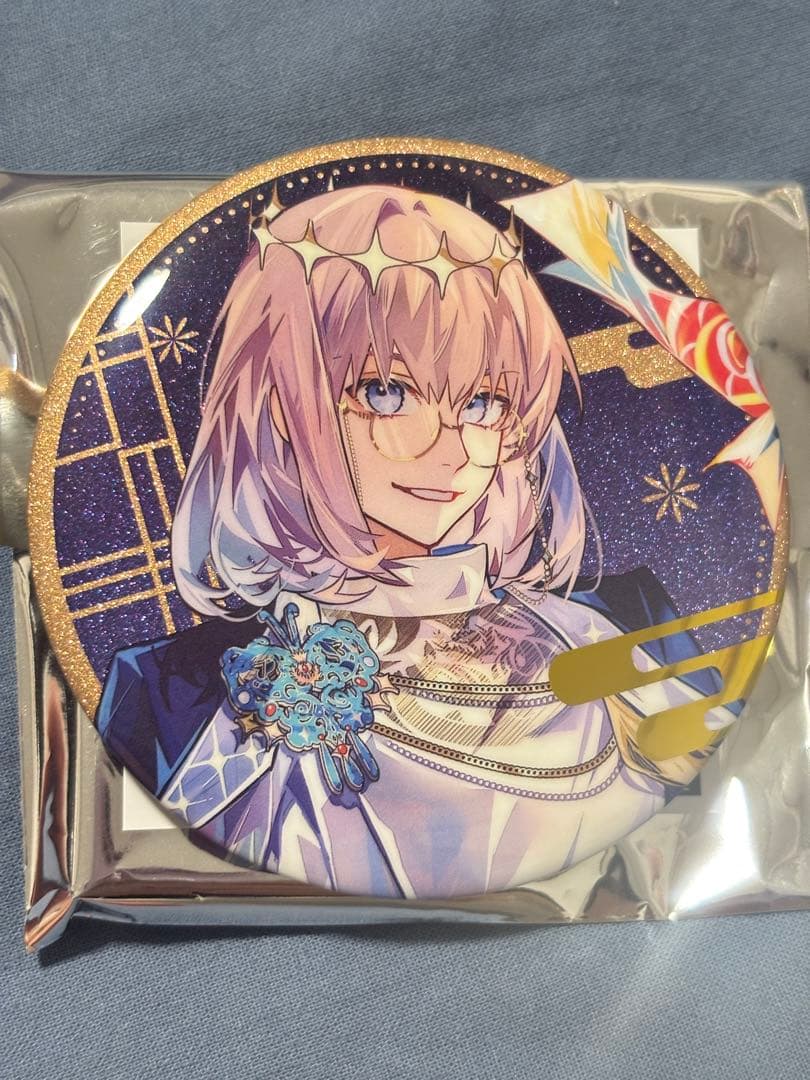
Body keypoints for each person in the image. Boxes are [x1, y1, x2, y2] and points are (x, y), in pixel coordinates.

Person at [98, 184, 734, 898]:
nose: (451, 446)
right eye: (386, 392)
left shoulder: (630, 625)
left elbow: (714, 817)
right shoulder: (168, 694)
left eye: (485, 402)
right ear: (278, 400)